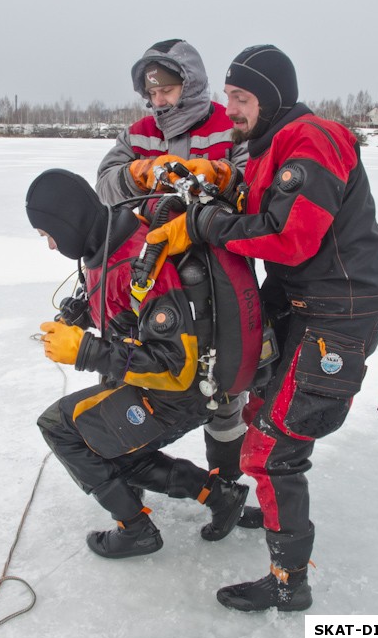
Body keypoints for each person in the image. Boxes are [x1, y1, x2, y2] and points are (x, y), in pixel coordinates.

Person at [146, 44, 378, 611]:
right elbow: (248, 194)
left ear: (272, 95)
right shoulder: (266, 146)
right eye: (228, 96)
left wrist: (208, 224)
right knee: (263, 413)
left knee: (275, 447)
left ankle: (290, 586)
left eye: (242, 97)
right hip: (301, 302)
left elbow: (291, 236)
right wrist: (207, 185)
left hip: (340, 312)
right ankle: (267, 510)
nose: (230, 108)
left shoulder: (312, 139)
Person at [25, 168, 249, 559]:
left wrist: (85, 352)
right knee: (107, 449)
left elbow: (175, 367)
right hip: (154, 388)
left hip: (179, 395)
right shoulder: (108, 240)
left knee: (61, 429)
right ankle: (219, 496)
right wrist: (79, 317)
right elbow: (118, 308)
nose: (49, 246)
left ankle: (136, 530)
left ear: (68, 222)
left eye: (48, 235)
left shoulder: (140, 263)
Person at [96, 38, 250, 484]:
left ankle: (225, 485)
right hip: (148, 276)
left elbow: (252, 187)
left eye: (166, 90)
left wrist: (221, 177)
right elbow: (105, 185)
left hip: (217, 275)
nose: (157, 100)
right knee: (127, 365)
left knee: (222, 379)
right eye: (152, 93)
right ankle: (122, 469)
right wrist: (137, 173)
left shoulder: (228, 125)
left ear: (191, 82)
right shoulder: (140, 131)